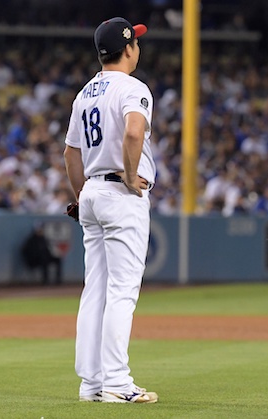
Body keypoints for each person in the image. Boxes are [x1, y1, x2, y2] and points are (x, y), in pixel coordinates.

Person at [63, 17, 158, 403]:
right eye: (135, 41)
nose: (138, 46)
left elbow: (70, 152)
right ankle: (117, 383)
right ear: (129, 49)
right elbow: (134, 131)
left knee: (95, 291)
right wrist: (132, 176)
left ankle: (92, 384)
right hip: (121, 195)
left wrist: (83, 193)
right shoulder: (132, 87)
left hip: (91, 194)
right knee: (121, 292)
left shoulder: (84, 93)